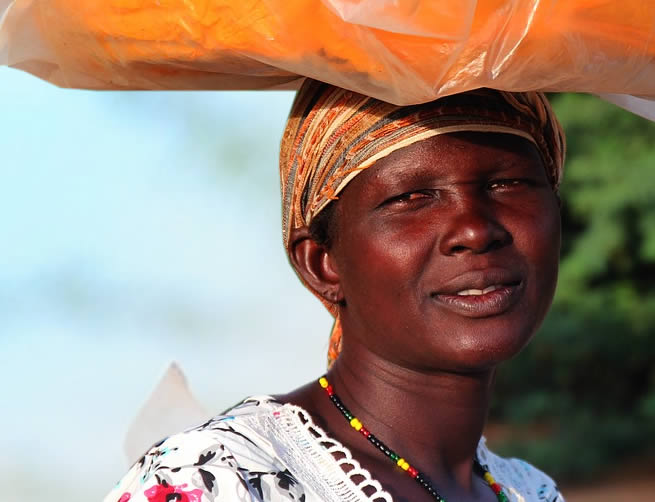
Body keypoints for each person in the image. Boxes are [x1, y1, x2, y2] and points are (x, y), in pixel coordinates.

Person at [103, 81, 568, 502]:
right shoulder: (221, 477)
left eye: (509, 184)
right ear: (323, 263)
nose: (474, 229)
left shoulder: (530, 491)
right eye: (411, 197)